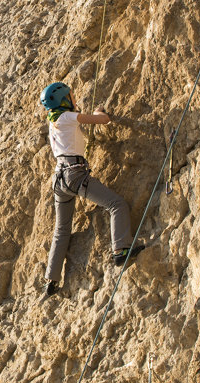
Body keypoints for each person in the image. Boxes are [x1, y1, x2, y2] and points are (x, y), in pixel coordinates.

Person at [40, 81, 144, 297]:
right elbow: (103, 120)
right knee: (116, 205)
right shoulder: (68, 117)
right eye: (71, 96)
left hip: (59, 179)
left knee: (61, 229)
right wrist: (98, 111)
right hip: (75, 175)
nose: (74, 98)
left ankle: (51, 278)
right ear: (64, 101)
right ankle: (120, 250)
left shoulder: (53, 121)